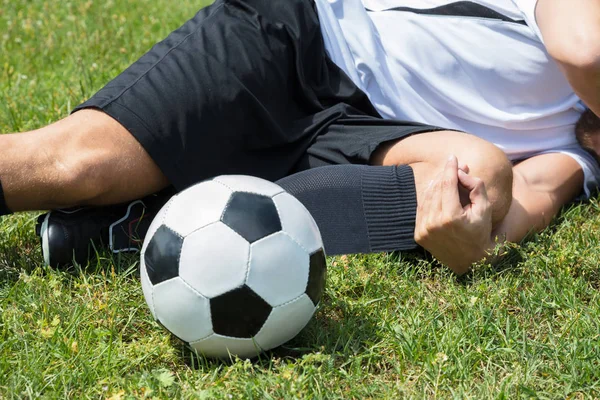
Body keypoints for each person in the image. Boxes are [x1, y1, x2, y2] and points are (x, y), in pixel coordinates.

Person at [2, 0, 599, 274]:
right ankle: (134, 204)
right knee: (78, 165)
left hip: (381, 133)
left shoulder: (586, 147)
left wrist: (475, 245)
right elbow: (584, 49)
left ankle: (152, 220)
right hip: (301, 42)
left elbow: (527, 196)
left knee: (481, 177)